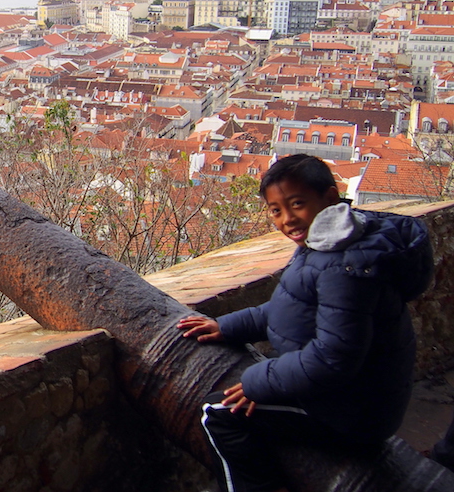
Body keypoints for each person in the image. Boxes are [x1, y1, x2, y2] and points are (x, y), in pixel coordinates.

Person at [177, 154, 434, 492]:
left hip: (351, 412)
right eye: (276, 211)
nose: (287, 219)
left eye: (297, 204)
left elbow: (333, 358)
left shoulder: (345, 267)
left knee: (218, 414)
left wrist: (258, 381)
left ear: (329, 198)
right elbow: (292, 309)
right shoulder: (334, 243)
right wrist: (228, 326)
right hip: (356, 396)